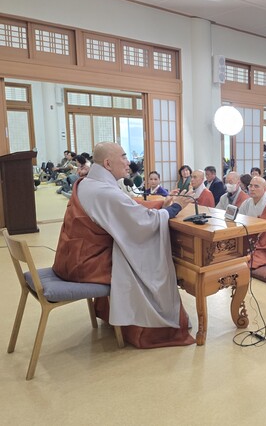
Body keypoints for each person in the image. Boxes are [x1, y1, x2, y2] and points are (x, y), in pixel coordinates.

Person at [52, 142, 195, 348]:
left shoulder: (89, 182)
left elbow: (128, 206)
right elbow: (142, 221)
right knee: (139, 262)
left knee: (130, 251)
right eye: (124, 157)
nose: (128, 162)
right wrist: (176, 208)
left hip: (72, 257)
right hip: (86, 264)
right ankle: (151, 327)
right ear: (108, 163)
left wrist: (161, 204)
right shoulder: (103, 191)